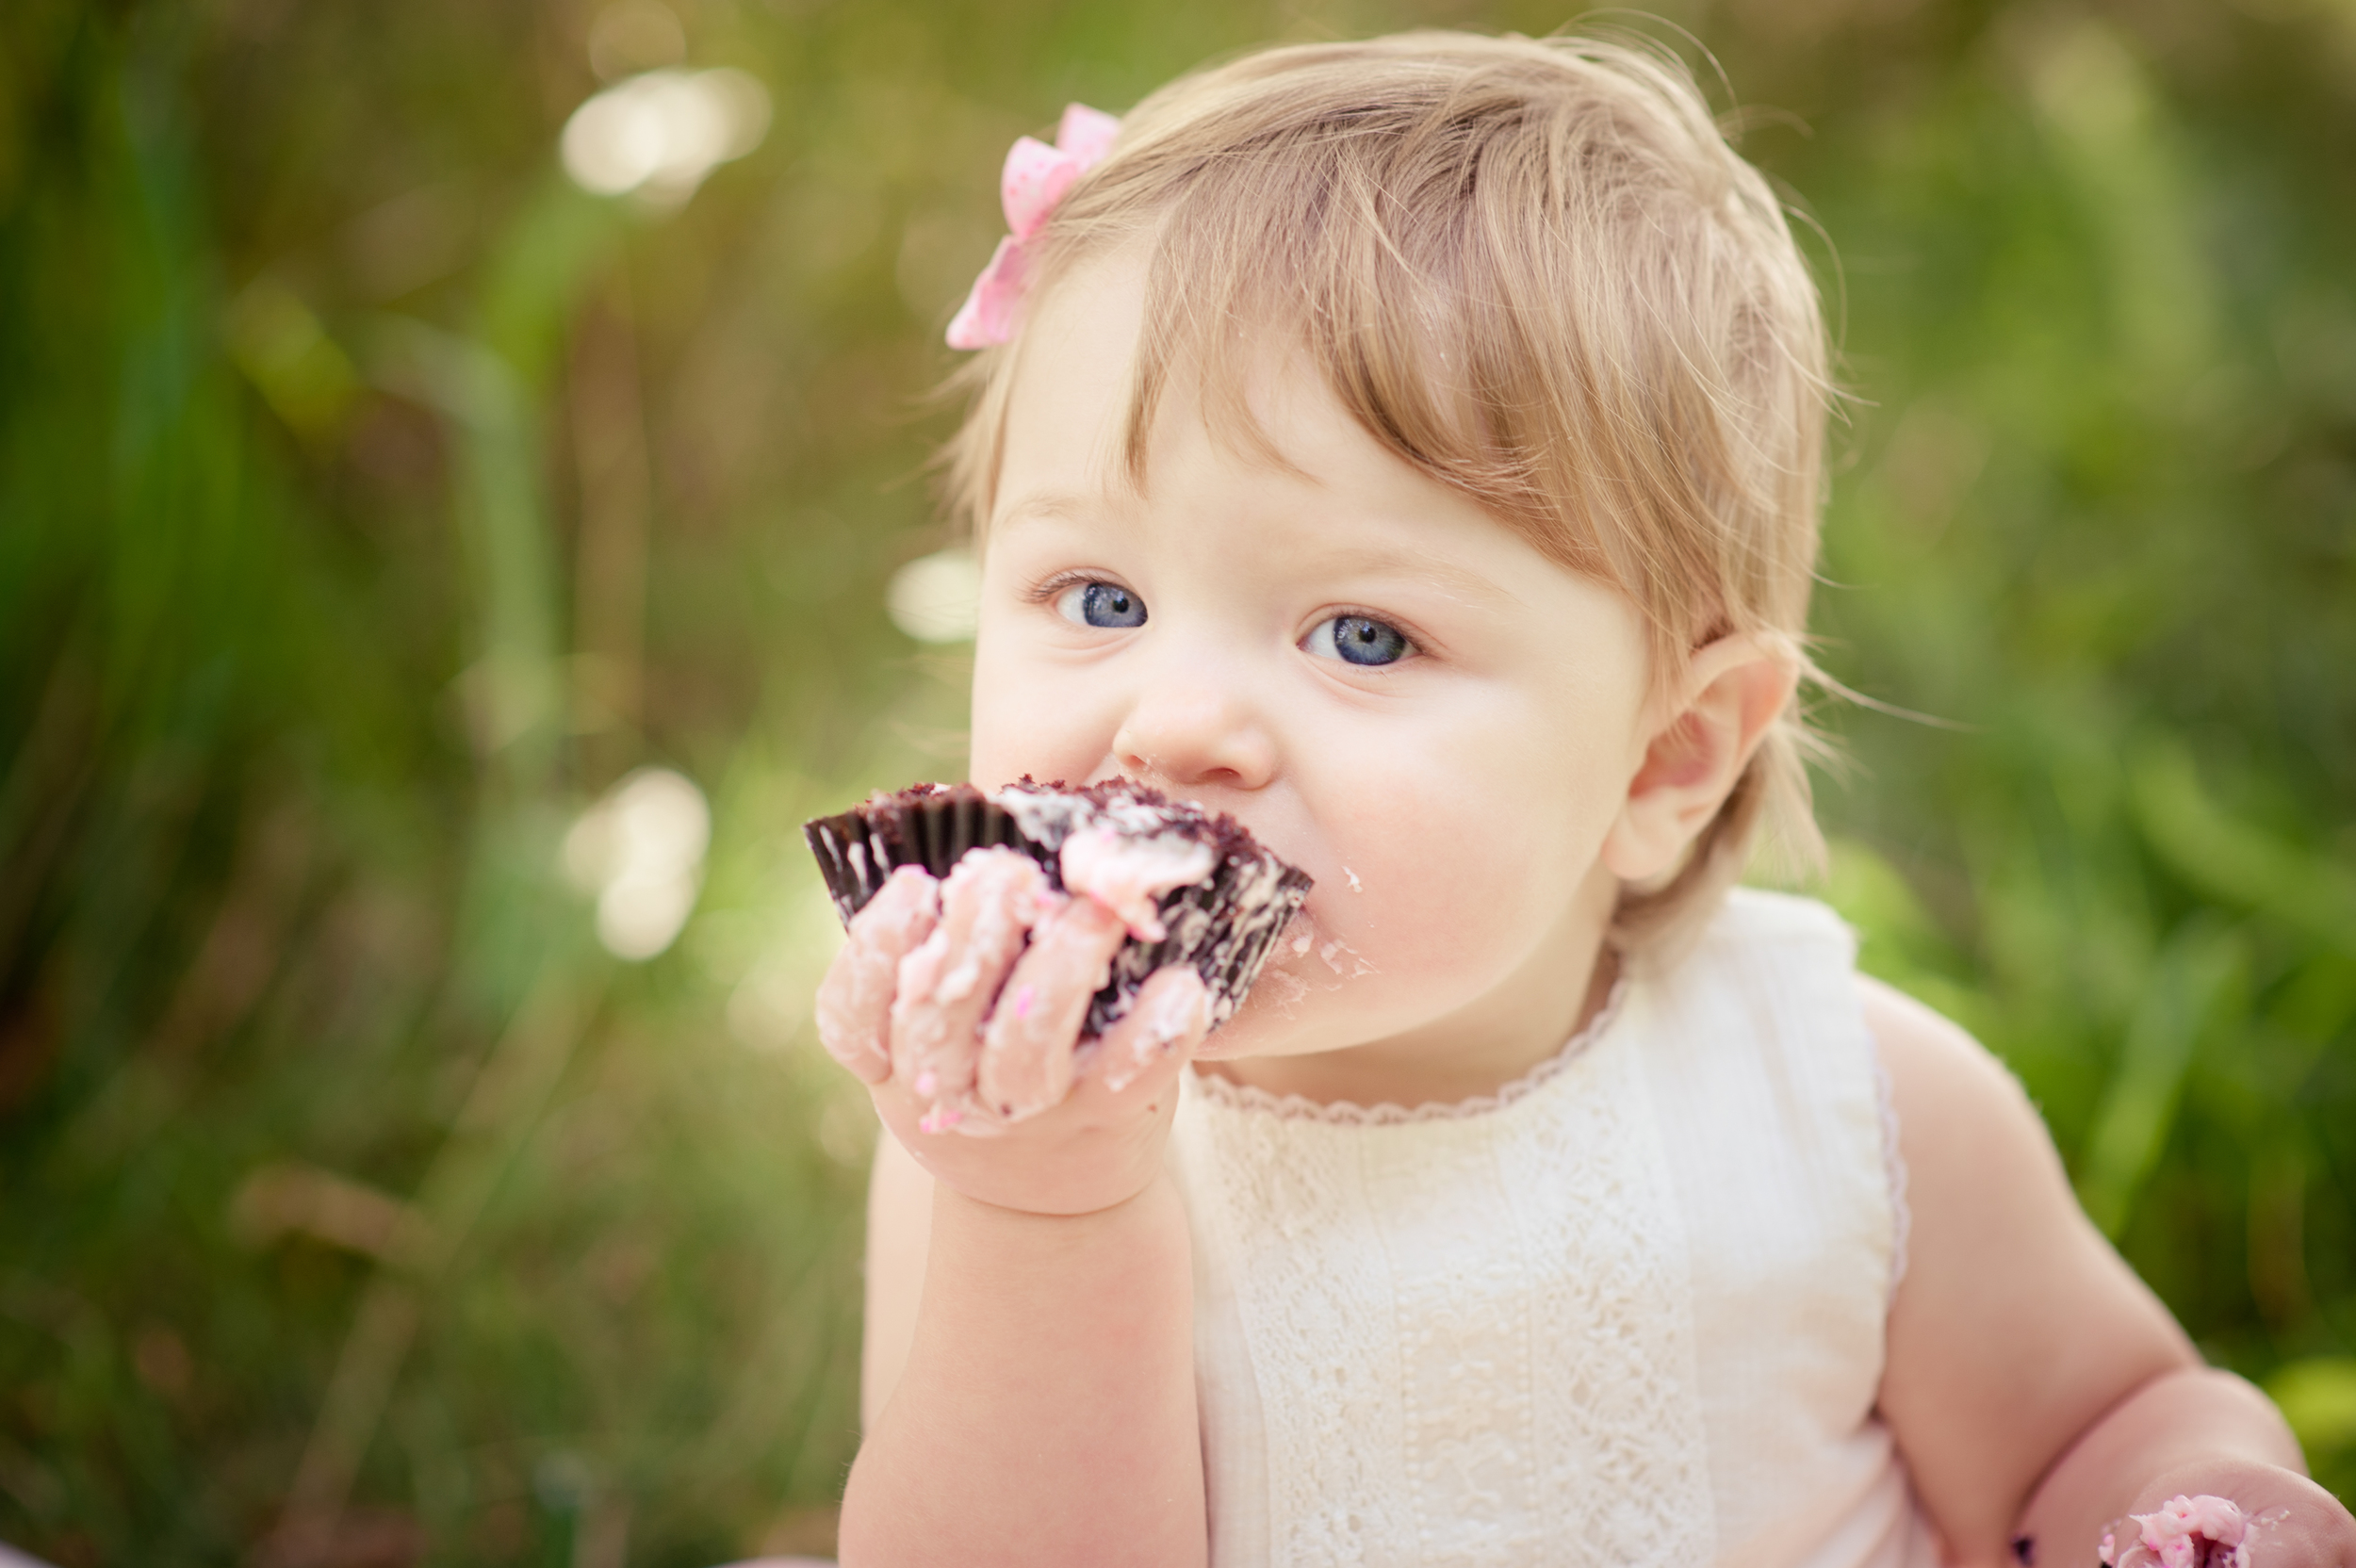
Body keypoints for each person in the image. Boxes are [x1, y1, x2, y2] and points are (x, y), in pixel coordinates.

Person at [809, 31, 2356, 1568]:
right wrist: (1048, 1221)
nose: (1174, 721)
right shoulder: (1000, 1140)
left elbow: (2100, 1423)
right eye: (1094, 597)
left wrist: (2196, 1505)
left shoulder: (1838, 1098)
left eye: (1364, 636)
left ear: (1666, 758)